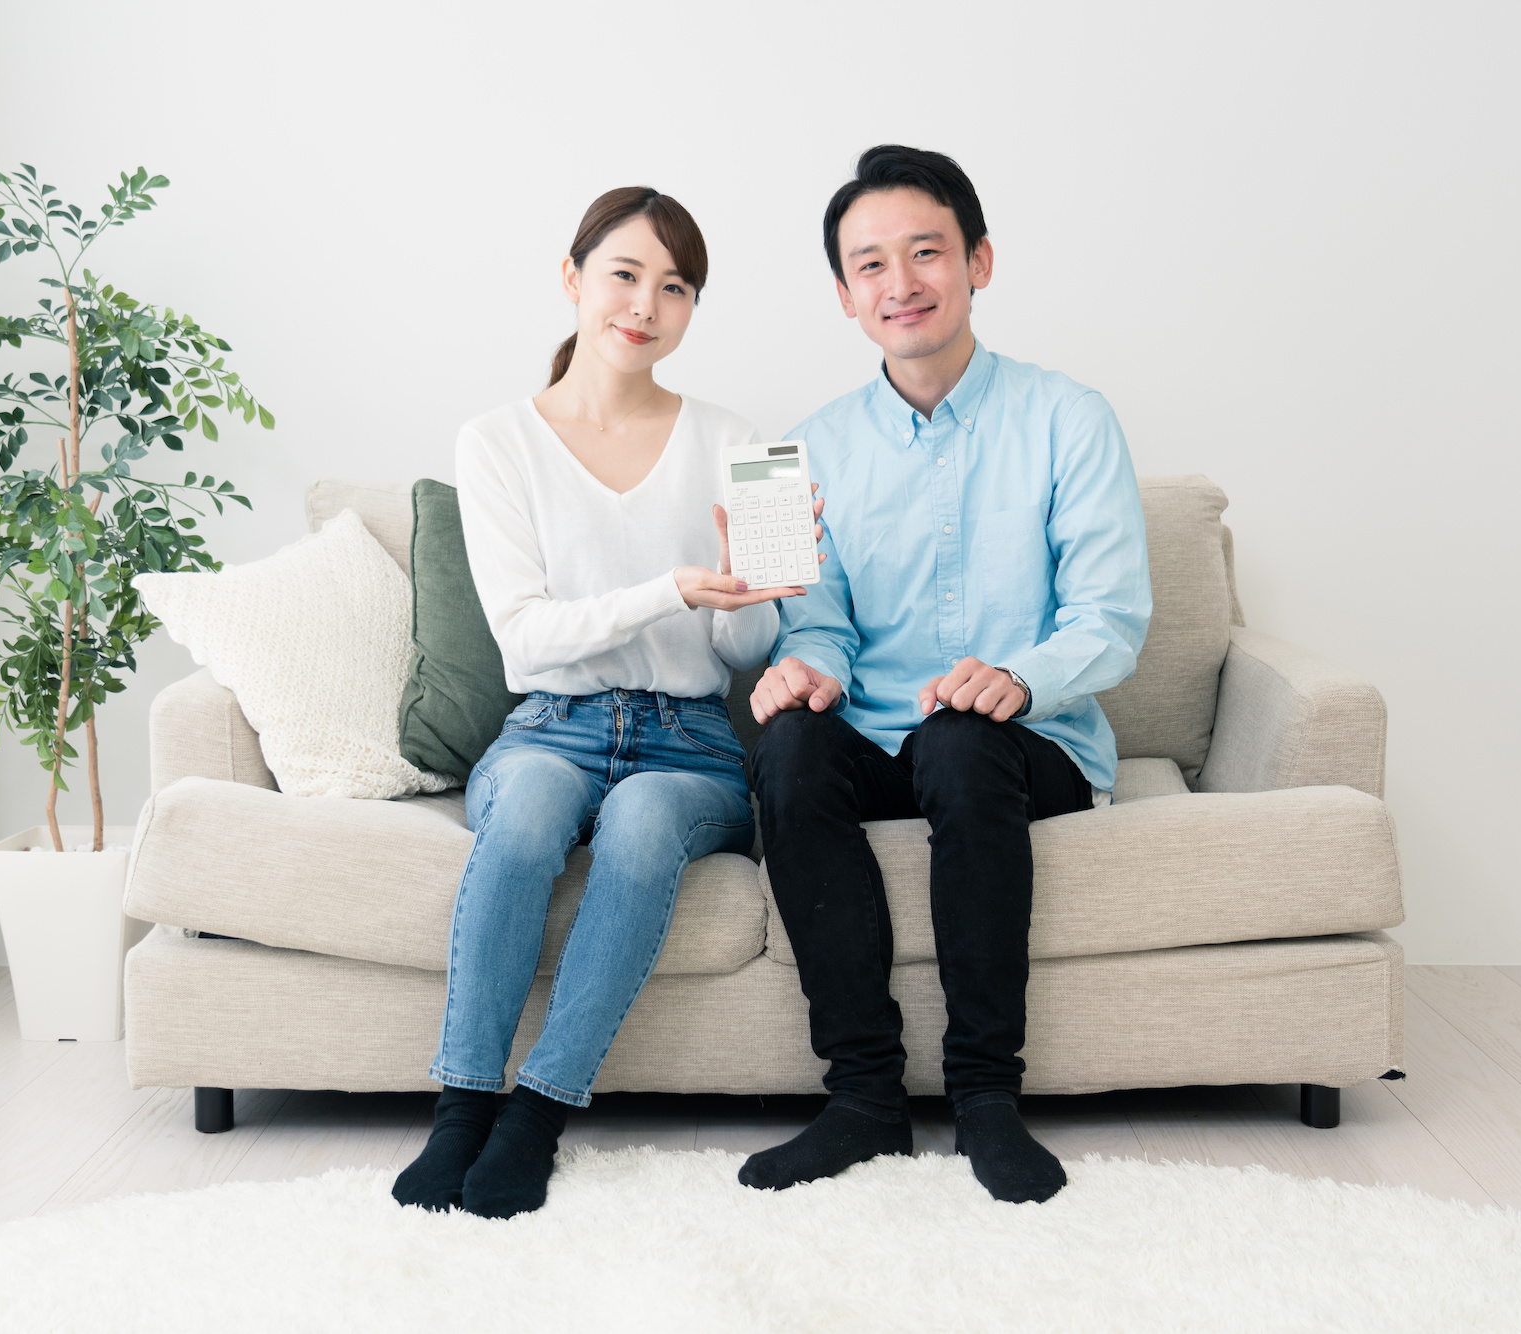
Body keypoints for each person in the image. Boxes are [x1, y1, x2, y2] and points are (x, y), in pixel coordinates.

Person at [391, 186, 822, 1219]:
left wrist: (751, 593)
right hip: (552, 726)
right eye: (625, 275)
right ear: (572, 278)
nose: (645, 305)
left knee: (640, 821)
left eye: (675, 288)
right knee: (527, 814)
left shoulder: (734, 437)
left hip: (690, 741)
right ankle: (462, 1108)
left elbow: (746, 653)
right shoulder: (496, 440)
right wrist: (671, 588)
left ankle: (536, 1115)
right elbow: (523, 638)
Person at [737, 146, 1151, 1204]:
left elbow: (1110, 620)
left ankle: (985, 1098)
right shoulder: (797, 451)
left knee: (961, 740)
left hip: (1025, 745)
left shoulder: (1070, 417)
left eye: (925, 252)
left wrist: (1017, 676)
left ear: (979, 262)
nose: (900, 282)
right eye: (869, 264)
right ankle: (864, 1099)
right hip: (880, 740)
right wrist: (802, 671)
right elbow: (817, 626)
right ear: (844, 295)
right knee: (788, 748)